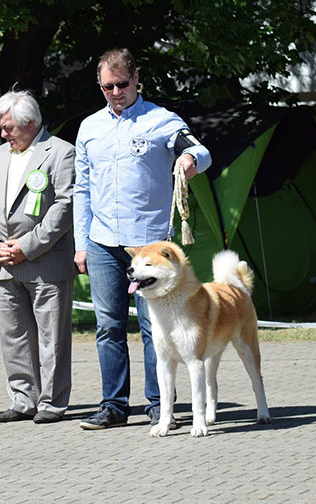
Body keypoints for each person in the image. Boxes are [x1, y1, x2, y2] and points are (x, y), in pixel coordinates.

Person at [74, 48, 211, 430]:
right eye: (107, 86)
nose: (115, 92)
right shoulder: (90, 127)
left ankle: (159, 405)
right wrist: (80, 243)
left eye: (121, 84)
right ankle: (113, 406)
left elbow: (199, 149)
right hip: (102, 240)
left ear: (137, 79)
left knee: (155, 329)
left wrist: (189, 161)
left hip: (149, 243)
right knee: (108, 326)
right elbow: (81, 189)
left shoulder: (162, 120)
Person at [0, 90, 75, 424]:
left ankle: (52, 402)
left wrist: (28, 245)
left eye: (8, 128)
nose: (3, 134)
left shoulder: (61, 152)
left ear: (30, 122)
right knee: (13, 337)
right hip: (3, 263)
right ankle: (22, 400)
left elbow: (64, 206)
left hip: (46, 261)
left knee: (51, 338)